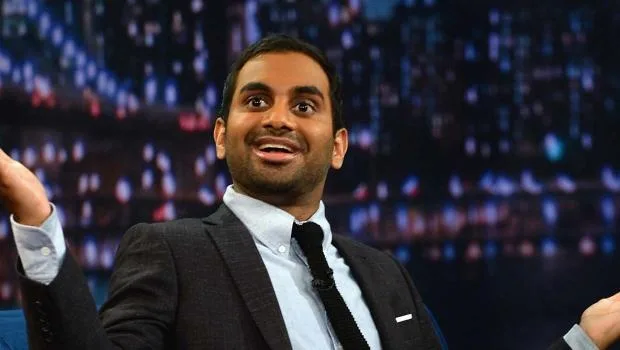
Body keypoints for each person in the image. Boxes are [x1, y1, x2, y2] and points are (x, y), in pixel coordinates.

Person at [1, 34, 619, 350]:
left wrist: (584, 337)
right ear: (221, 136)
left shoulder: (384, 274)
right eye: (255, 101)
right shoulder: (169, 251)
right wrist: (33, 213)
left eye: (304, 105)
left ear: (339, 144)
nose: (278, 118)